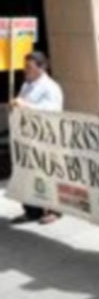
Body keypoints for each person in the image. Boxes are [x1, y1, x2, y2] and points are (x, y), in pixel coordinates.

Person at [10, 51, 64, 225]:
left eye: (29, 67)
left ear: (42, 68)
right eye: (25, 67)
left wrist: (25, 105)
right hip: (27, 137)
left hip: (45, 139)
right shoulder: (27, 84)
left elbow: (51, 112)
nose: (26, 70)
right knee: (28, 175)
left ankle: (54, 209)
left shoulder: (51, 87)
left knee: (47, 175)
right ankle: (32, 210)